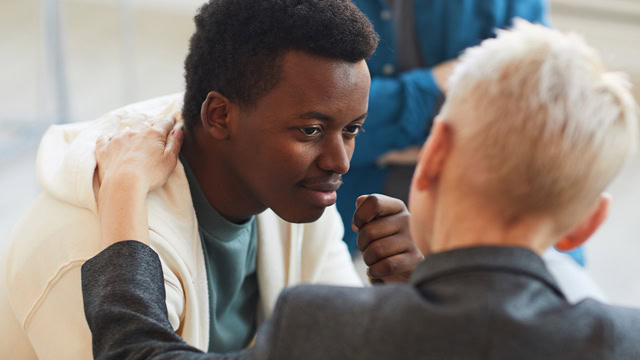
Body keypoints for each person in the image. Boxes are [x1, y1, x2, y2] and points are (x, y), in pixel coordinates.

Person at [81, 20, 640, 359]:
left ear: (435, 152)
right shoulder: (624, 340)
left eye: (353, 131)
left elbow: (137, 353)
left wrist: (126, 188)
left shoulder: (324, 327)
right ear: (588, 224)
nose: (340, 159)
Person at [0, 1, 424, 358]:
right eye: (310, 130)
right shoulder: (89, 255)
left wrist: (401, 299)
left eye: (352, 130)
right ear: (219, 116)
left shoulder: (288, 191)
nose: (340, 162)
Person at [340, 0, 585, 266]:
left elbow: (537, 118)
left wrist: (378, 133)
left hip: (497, 214)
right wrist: (435, 89)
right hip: (349, 222)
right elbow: (317, 124)